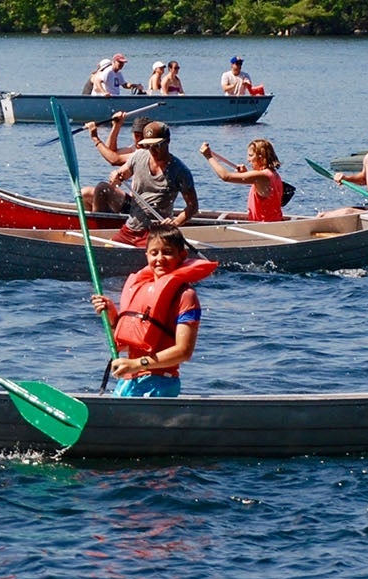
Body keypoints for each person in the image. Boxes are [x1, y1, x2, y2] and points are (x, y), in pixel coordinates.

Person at [90, 227, 208, 397]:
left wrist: (138, 364)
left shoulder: (186, 296)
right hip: (129, 382)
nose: (160, 259)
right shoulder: (140, 288)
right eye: (154, 253)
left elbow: (184, 352)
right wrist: (112, 316)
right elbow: (123, 346)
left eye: (167, 252)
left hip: (160, 384)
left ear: (181, 256)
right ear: (146, 256)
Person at [88, 121, 199, 245]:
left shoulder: (180, 171)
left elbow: (192, 206)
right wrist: (116, 176)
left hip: (154, 232)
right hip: (130, 229)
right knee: (106, 249)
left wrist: (175, 222)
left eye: (157, 145)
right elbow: (120, 173)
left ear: (168, 141)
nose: (153, 150)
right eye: (148, 146)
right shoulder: (139, 156)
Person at [199, 138, 284, 221]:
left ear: (261, 157)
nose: (248, 159)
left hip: (264, 227)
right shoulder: (274, 174)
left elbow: (225, 176)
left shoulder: (260, 176)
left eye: (251, 155)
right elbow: (261, 188)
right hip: (275, 221)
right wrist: (246, 173)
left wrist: (208, 156)